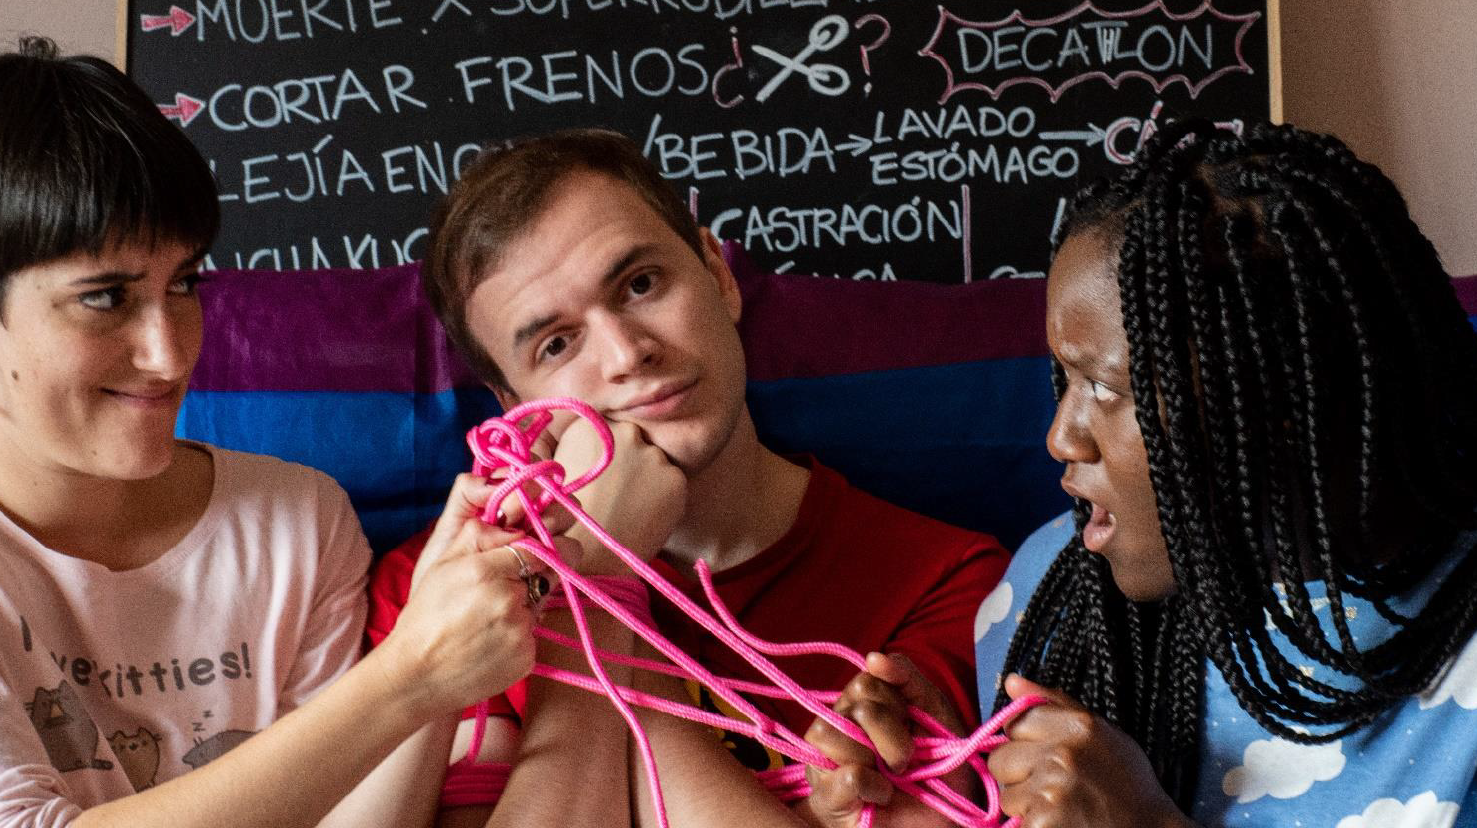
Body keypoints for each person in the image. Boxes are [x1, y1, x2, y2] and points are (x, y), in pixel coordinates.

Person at [0, 37, 550, 827]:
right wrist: (405, 677)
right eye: (106, 297)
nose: (169, 351)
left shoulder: (298, 519)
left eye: (183, 283)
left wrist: (432, 661)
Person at [805, 120, 1477, 827]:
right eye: (1061, 379)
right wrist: (947, 794)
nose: (1060, 437)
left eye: (1103, 387)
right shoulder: (1045, 601)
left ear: (1278, 405)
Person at [365, 128, 1010, 825]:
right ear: (517, 408)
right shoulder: (438, 590)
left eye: (641, 284)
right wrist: (598, 563)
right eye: (557, 343)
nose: (626, 353)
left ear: (719, 272)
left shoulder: (946, 578)